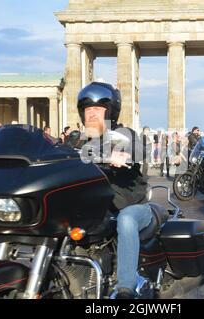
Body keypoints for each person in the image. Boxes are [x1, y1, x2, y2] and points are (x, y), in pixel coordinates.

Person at [77, 82, 152, 299]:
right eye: (88, 110)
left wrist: (124, 156)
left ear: (109, 112)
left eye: (97, 110)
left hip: (132, 207)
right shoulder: (83, 143)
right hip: (100, 208)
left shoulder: (123, 134)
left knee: (126, 220)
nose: (91, 115)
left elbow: (138, 149)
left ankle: (125, 288)